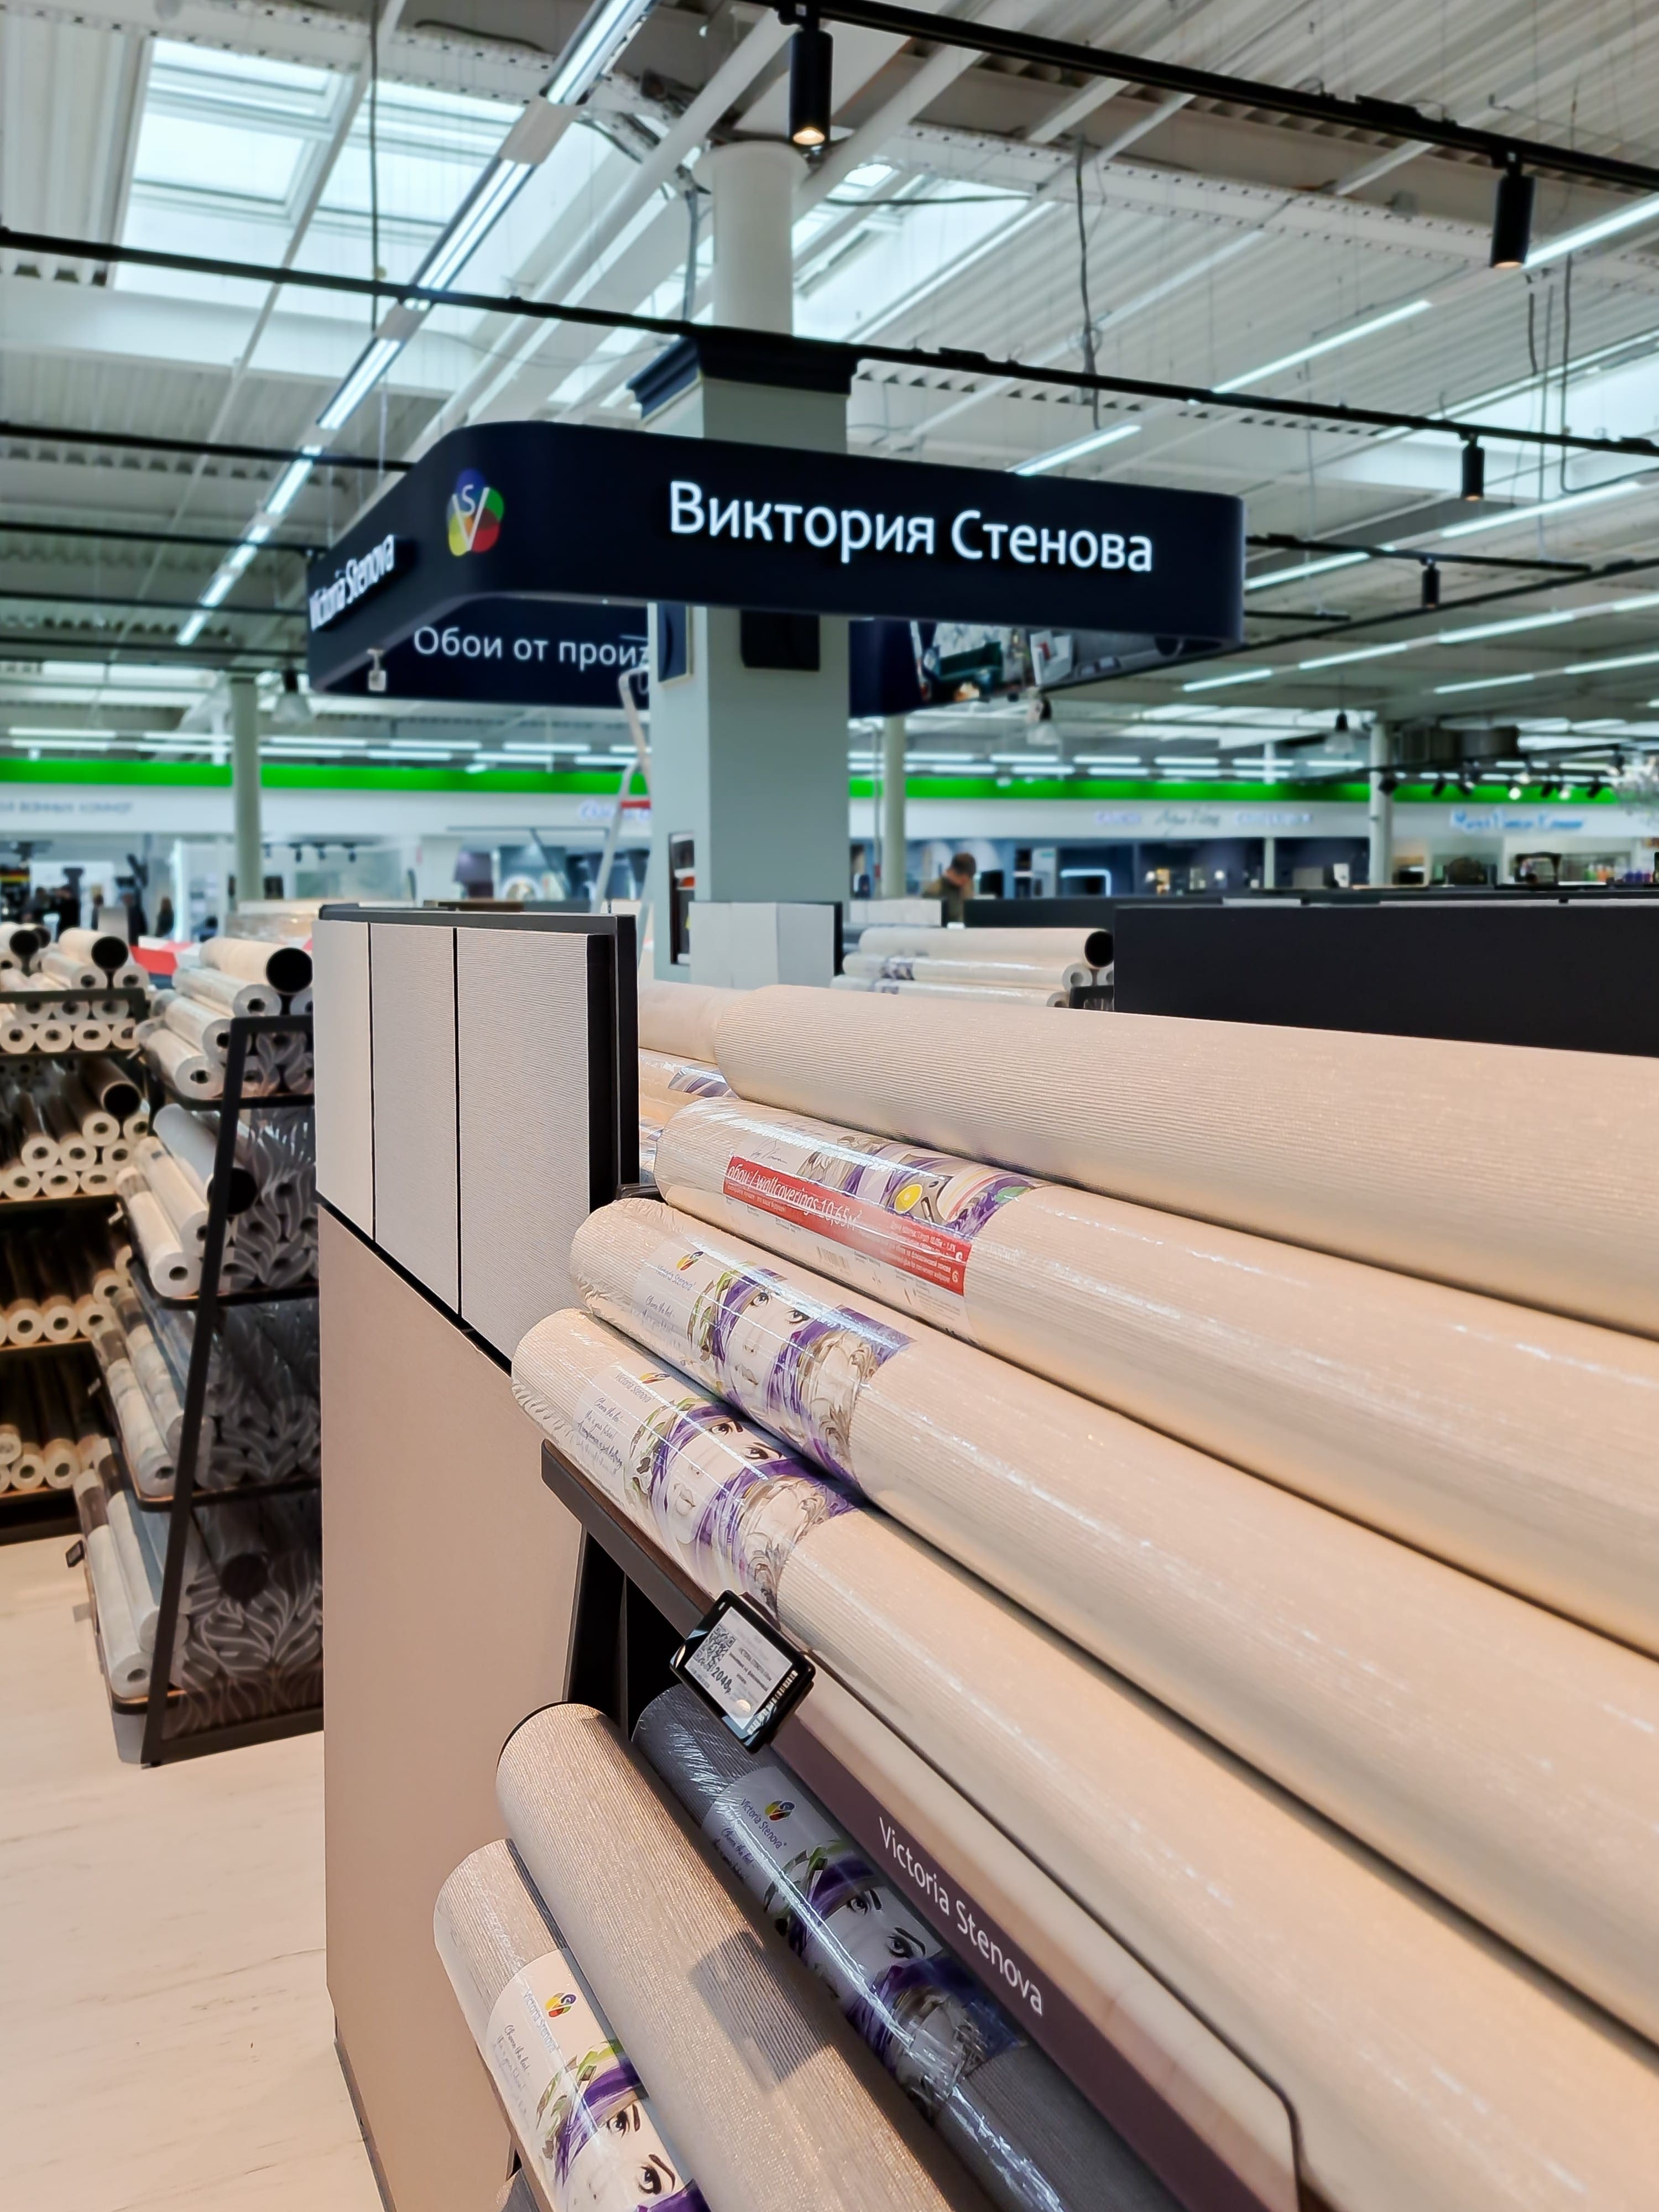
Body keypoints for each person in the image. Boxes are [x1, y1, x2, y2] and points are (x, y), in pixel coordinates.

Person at [921, 851, 977, 921]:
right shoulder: (934, 890)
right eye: (963, 880)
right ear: (952, 872)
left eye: (969, 880)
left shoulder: (968, 883)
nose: (965, 884)